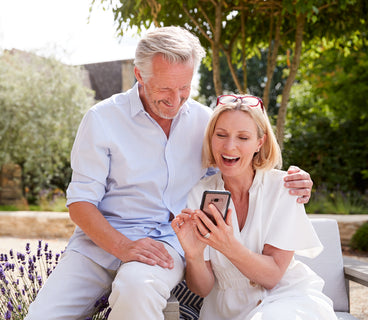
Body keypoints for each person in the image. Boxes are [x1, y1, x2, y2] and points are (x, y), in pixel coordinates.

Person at [25, 27, 313, 320]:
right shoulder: (102, 119)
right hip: (97, 244)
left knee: (136, 288)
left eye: (184, 87)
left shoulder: (204, 121)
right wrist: (124, 246)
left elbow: (239, 161)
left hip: (166, 244)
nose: (175, 100)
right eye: (164, 88)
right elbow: (80, 204)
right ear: (139, 75)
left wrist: (296, 180)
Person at [172, 95, 337, 320]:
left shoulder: (283, 188)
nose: (230, 146)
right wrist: (194, 255)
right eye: (221, 135)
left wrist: (228, 245)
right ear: (211, 138)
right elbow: (202, 289)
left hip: (287, 299)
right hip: (225, 311)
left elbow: (272, 276)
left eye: (243, 137)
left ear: (260, 142)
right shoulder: (199, 194)